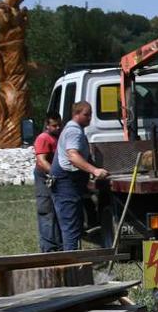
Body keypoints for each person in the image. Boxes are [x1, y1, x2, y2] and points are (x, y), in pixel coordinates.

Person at [51, 101, 108, 251]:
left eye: (90, 114)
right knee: (71, 228)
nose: (90, 118)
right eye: (86, 114)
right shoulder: (73, 131)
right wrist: (94, 171)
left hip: (70, 183)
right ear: (76, 114)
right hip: (65, 183)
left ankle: (73, 260)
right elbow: (73, 157)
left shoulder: (77, 130)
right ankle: (72, 265)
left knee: (74, 225)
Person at [32, 114, 63, 252]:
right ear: (47, 125)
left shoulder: (58, 137)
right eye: (54, 126)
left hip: (55, 178)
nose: (57, 128)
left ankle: (59, 246)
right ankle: (48, 249)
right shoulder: (43, 138)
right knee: (47, 212)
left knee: (57, 213)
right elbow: (41, 160)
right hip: (44, 177)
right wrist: (55, 173)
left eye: (59, 125)